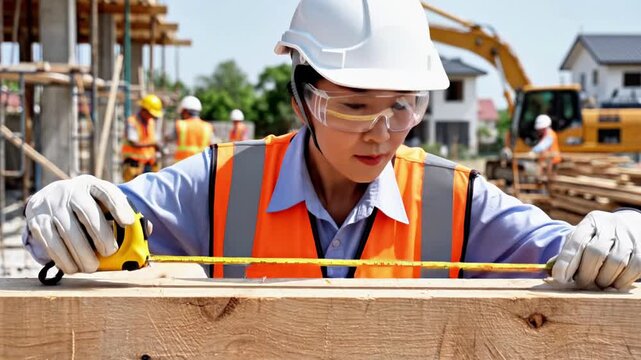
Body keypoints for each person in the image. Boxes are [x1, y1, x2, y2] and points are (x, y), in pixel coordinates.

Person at [22, 0, 641, 289]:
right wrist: (62, 210)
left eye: (405, 106)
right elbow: (93, 226)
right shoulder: (221, 183)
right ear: (302, 100)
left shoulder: (456, 201)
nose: (383, 132)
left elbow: (577, 253)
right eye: (352, 107)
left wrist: (622, 235)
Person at [121, 94, 163, 182]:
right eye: (151, 114)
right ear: (144, 110)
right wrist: (153, 144)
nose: (152, 117)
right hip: (133, 166)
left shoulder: (151, 122)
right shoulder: (132, 121)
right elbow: (133, 142)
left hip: (148, 165)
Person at [166, 95, 214, 162]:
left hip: (182, 165)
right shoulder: (207, 126)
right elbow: (213, 144)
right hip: (202, 165)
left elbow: (169, 138)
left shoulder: (181, 124)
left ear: (185, 111)